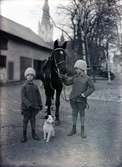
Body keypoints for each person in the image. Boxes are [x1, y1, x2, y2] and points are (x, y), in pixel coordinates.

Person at [63, 60, 95, 138]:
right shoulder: (75, 77)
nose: (76, 70)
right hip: (73, 99)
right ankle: (73, 129)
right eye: (75, 69)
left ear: (82, 68)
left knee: (82, 115)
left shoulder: (87, 78)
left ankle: (82, 131)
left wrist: (84, 94)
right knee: (74, 114)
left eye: (77, 69)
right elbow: (67, 83)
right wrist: (63, 78)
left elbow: (92, 88)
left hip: (81, 100)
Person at [21, 67, 43, 143]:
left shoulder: (35, 86)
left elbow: (38, 96)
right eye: (28, 75)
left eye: (31, 75)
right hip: (26, 108)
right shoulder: (24, 86)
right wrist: (28, 104)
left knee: (33, 120)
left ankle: (34, 134)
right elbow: (23, 97)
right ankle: (24, 135)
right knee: (25, 121)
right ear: (26, 76)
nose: (30, 77)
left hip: (34, 108)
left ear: (33, 77)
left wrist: (40, 104)